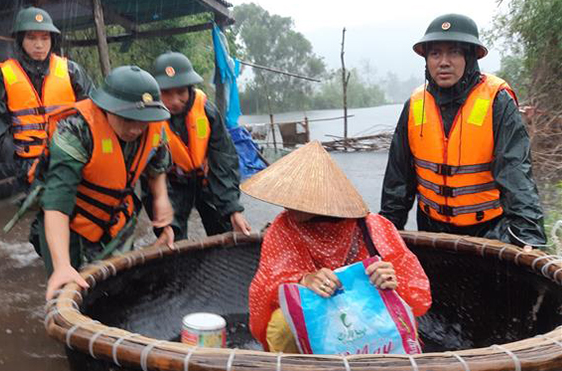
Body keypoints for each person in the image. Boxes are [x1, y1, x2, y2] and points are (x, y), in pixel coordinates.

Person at [243, 141, 431, 353]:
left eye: (295, 198)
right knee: (280, 325)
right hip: (317, 318)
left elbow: (417, 294)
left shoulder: (373, 227)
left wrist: (391, 281)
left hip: (371, 320)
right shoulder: (283, 227)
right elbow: (268, 284)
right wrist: (303, 280)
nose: (286, 205)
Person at [380, 13, 547, 247]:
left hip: (488, 230)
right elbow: (398, 178)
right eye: (435, 53)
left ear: (470, 57)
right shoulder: (416, 104)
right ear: (426, 59)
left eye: (454, 52)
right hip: (431, 227)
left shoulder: (497, 101)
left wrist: (528, 232)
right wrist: (388, 227)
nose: (444, 62)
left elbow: (516, 172)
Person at [41, 66, 173, 300]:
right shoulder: (75, 130)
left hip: (116, 218)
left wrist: (161, 200)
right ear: (107, 107)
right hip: (71, 222)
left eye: (142, 121)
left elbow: (157, 167)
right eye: (127, 119)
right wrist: (61, 265)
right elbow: (57, 202)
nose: (135, 129)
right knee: (69, 291)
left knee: (119, 289)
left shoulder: (154, 127)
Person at [0, 6, 93, 186]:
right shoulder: (6, 74)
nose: (39, 45)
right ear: (20, 41)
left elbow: (95, 113)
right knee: (43, 211)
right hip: (29, 166)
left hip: (70, 159)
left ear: (52, 40)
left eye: (45, 38)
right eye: (31, 38)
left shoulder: (71, 71)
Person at [141, 52, 251, 241]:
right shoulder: (146, 121)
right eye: (165, 93)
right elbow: (147, 174)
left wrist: (233, 209)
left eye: (181, 92)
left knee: (226, 226)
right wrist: (165, 222)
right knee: (171, 237)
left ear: (190, 89)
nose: (174, 101)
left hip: (207, 179)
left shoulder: (207, 112)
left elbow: (224, 160)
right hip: (172, 184)